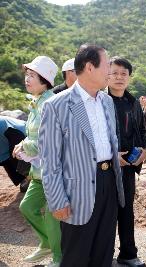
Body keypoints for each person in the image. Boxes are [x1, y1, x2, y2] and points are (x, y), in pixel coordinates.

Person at [39, 44, 125, 267]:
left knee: (104, 252)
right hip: (77, 192)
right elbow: (49, 160)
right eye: (106, 65)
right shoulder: (56, 105)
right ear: (89, 67)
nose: (110, 71)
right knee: (76, 256)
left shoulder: (107, 101)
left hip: (109, 184)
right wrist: (57, 200)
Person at [12, 56, 61, 266]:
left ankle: (59, 257)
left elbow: (46, 139)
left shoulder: (49, 103)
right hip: (38, 171)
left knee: (52, 217)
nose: (27, 79)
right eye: (27, 75)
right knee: (27, 207)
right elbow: (33, 134)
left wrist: (24, 146)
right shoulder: (37, 102)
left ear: (45, 80)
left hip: (52, 171)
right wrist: (24, 143)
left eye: (32, 75)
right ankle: (47, 243)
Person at [107, 56, 146, 267]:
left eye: (124, 74)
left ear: (129, 77)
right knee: (106, 211)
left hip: (127, 167)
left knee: (127, 210)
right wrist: (112, 154)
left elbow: (143, 130)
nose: (119, 77)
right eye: (114, 73)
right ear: (106, 75)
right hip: (104, 167)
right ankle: (104, 254)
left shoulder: (133, 103)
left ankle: (128, 254)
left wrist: (145, 149)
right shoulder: (100, 100)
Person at [0, 115, 30, 192]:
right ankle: (23, 179)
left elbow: (17, 137)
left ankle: (30, 178)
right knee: (5, 159)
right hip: (5, 141)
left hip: (21, 133)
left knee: (16, 153)